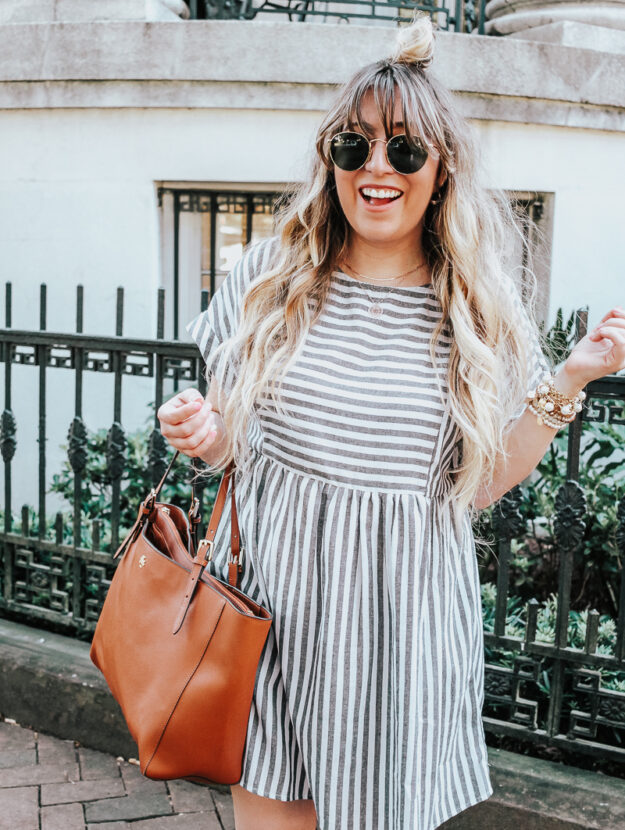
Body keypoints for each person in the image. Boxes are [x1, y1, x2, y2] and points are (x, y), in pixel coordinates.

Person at [157, 13, 625, 830]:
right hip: (270, 627)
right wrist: (202, 430)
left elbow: (476, 487)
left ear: (440, 170)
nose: (377, 168)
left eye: (404, 149)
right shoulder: (270, 277)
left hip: (399, 647)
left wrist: (570, 379)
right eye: (354, 146)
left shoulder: (476, 311)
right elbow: (229, 432)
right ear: (330, 160)